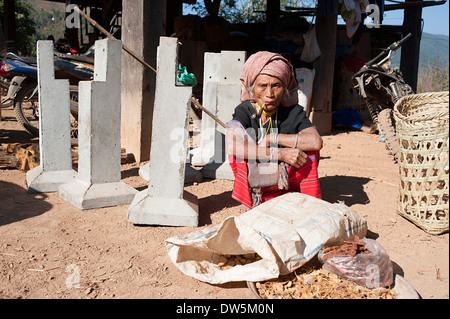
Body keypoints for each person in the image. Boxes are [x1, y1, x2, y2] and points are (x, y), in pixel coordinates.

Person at [225, 51, 323, 209]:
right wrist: (280, 153)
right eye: (262, 86)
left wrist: (273, 138)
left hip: (285, 175)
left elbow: (316, 141)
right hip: (258, 173)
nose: (269, 94)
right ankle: (255, 199)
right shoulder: (244, 110)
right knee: (238, 156)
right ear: (252, 89)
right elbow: (231, 145)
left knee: (311, 153)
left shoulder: (293, 111)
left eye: (276, 86)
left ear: (284, 89)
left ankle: (305, 202)